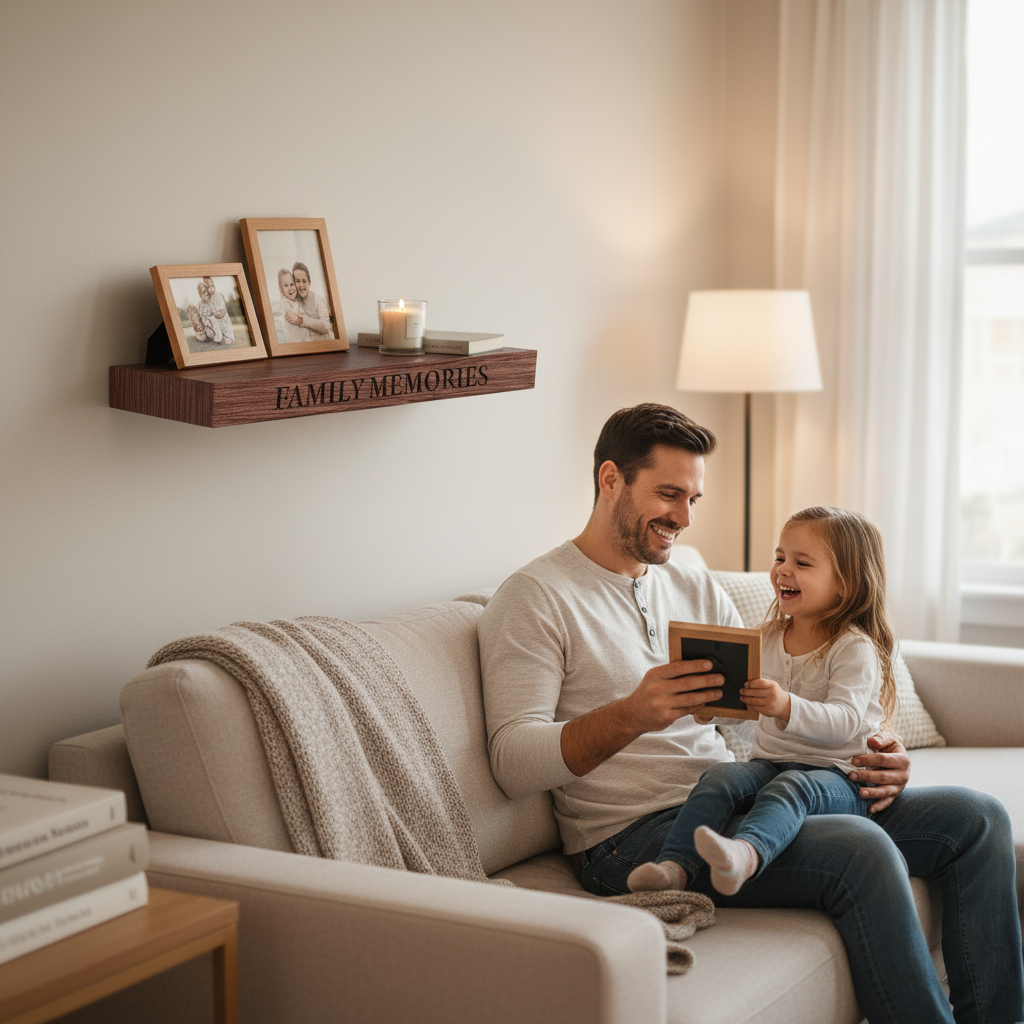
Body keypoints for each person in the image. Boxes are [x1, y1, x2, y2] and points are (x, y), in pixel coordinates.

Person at [478, 402, 1023, 1024]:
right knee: (861, 849)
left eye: (693, 500)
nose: (683, 518)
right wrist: (631, 714)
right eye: (669, 495)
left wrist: (869, 754)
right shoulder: (535, 597)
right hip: (631, 838)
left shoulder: (689, 582)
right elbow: (512, 763)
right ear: (610, 480)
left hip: (735, 801)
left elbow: (753, 716)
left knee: (977, 820)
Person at [627, 506, 901, 898]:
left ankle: (746, 854)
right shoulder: (767, 637)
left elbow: (846, 721)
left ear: (845, 584)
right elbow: (750, 710)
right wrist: (713, 710)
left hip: (838, 777)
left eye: (802, 562)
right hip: (768, 764)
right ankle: (675, 867)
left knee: (793, 785)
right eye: (779, 557)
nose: (783, 570)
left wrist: (785, 705)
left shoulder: (854, 648)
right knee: (721, 777)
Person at [283, 262, 333, 340]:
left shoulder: (318, 300)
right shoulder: (293, 300)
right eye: (298, 281)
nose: (301, 285)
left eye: (304, 281)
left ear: (309, 283)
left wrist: (302, 321)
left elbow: (326, 326)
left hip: (325, 345)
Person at [277, 269, 309, 344]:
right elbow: (295, 317)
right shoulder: (285, 303)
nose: (290, 288)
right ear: (281, 289)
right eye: (286, 285)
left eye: (292, 284)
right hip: (295, 343)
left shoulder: (298, 300)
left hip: (306, 341)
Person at [202, 277, 236, 345]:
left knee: (225, 325)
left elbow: (221, 309)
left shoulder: (218, 295)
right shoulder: (208, 298)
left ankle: (229, 337)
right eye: (208, 287)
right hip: (215, 316)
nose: (211, 288)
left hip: (221, 315)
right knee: (215, 324)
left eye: (212, 286)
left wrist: (216, 312)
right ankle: (219, 336)